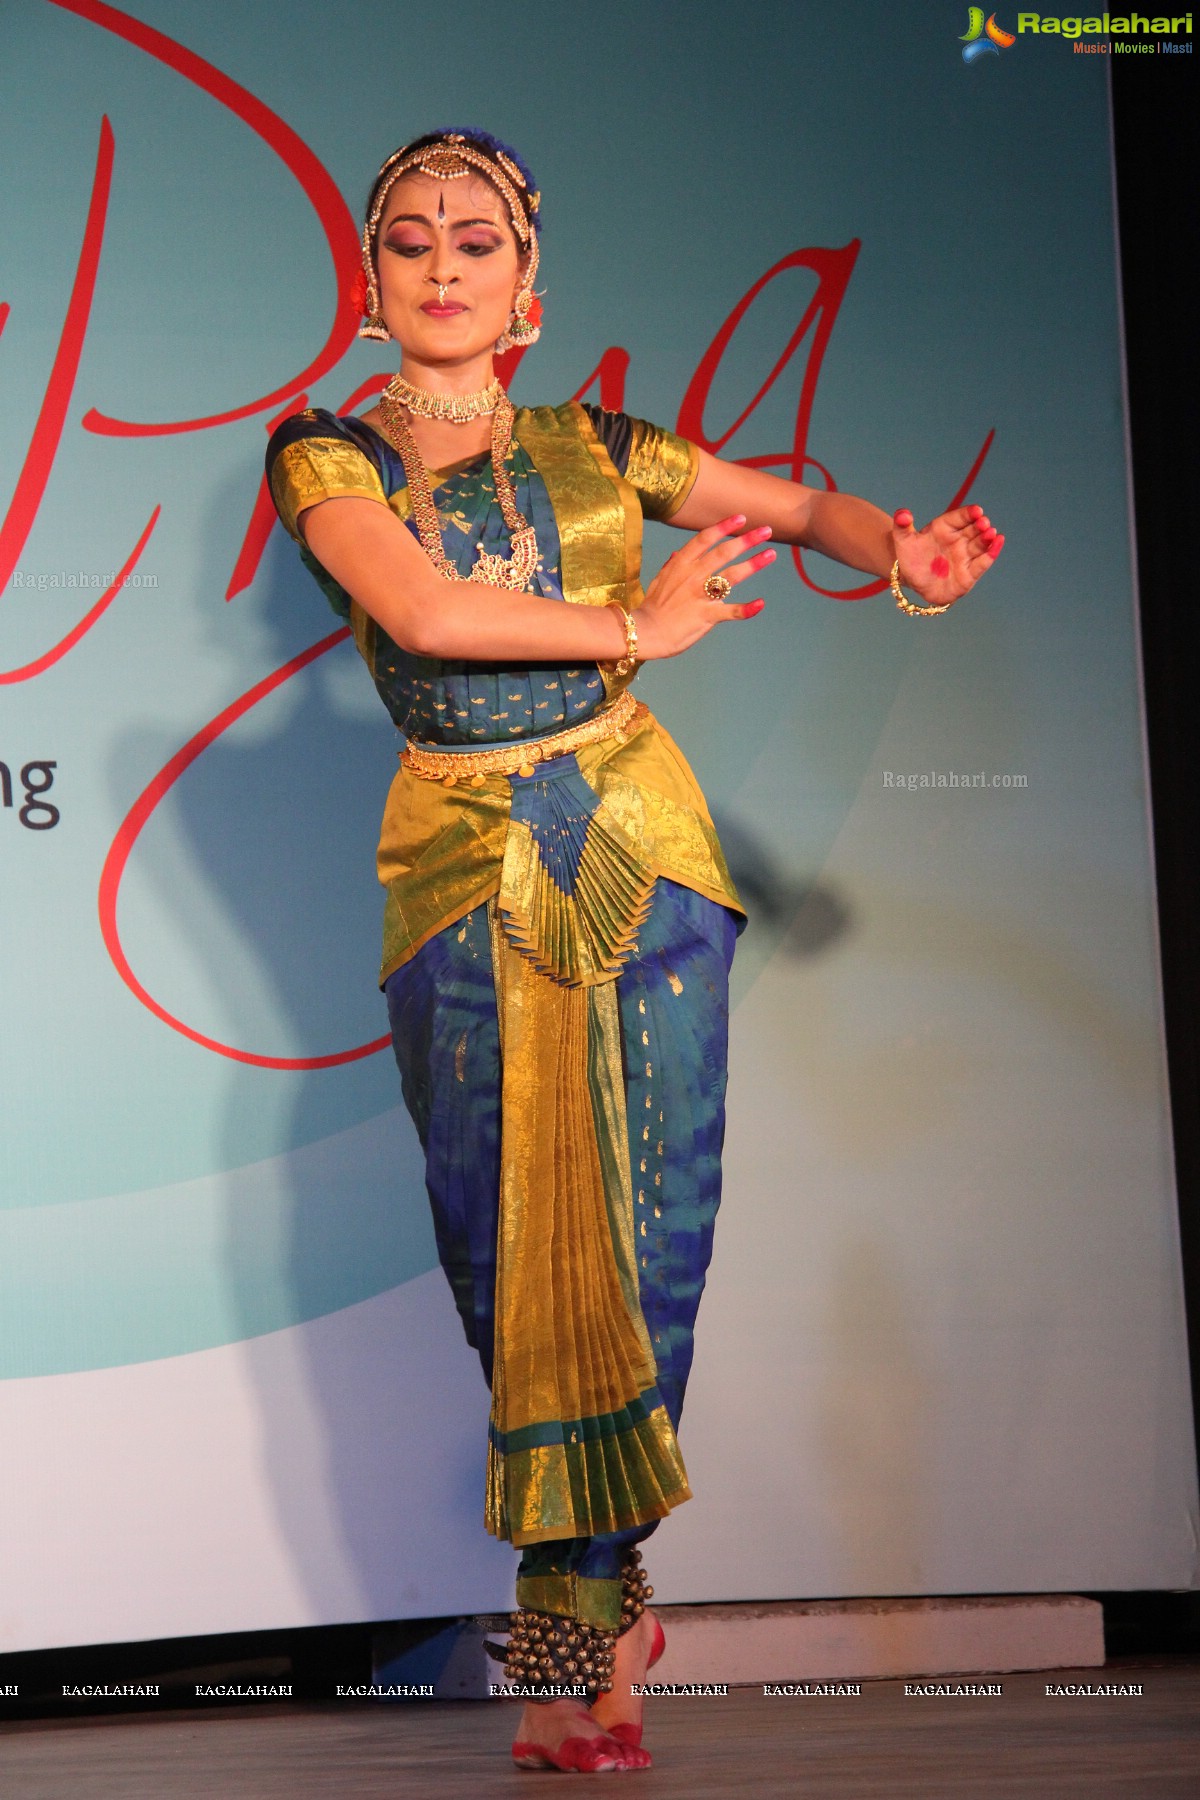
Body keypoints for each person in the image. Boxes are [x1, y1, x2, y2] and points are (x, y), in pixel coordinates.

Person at [266, 126, 1003, 1773]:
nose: (443, 263)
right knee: (507, 1264)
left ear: (533, 286)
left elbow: (805, 504)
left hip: (641, 845)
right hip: (460, 859)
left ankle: (566, 1645)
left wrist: (908, 557)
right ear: (371, 281)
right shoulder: (326, 457)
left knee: (646, 1249)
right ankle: (617, 1606)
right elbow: (433, 615)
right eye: (409, 240)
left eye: (478, 240)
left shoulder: (601, 444)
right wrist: (638, 628)